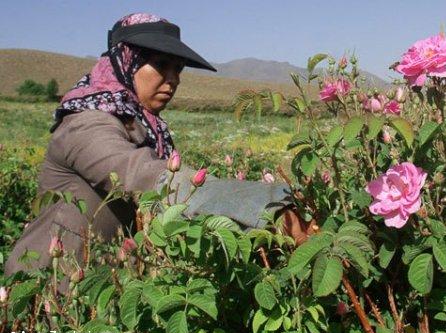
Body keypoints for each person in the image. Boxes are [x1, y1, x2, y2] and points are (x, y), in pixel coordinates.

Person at [5, 13, 314, 283]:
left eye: (177, 69)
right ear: (126, 62)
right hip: (48, 290)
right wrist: (272, 204)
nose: (172, 79)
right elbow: (148, 179)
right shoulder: (85, 124)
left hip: (102, 289)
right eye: (161, 65)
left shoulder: (146, 127)